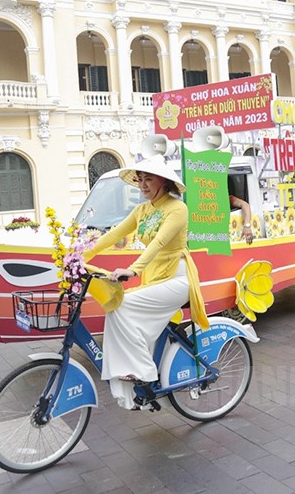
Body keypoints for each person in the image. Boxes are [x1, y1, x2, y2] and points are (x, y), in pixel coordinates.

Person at [82, 155, 208, 410]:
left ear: (164, 181)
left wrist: (133, 270)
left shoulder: (177, 209)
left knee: (123, 306)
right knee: (117, 308)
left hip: (177, 277)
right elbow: (115, 234)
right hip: (155, 277)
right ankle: (139, 382)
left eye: (148, 179)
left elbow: (161, 242)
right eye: (140, 179)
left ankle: (144, 371)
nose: (143, 185)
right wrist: (80, 256)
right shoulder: (142, 210)